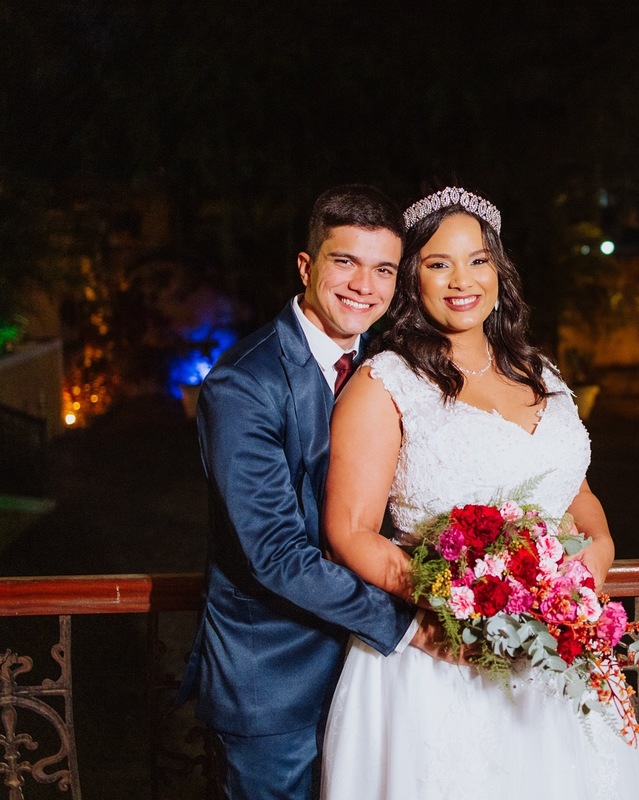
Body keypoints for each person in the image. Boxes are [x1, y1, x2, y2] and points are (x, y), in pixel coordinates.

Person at [318, 186, 639, 799]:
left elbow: (575, 490)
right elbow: (349, 529)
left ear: (498, 269)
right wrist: (457, 603)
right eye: (438, 263)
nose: (462, 279)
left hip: (550, 668)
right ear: (414, 279)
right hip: (438, 664)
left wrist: (599, 544)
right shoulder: (386, 382)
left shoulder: (539, 371)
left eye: (477, 260)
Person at [177, 184, 418, 800]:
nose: (364, 285)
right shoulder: (243, 383)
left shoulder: (383, 365)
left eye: (383, 268)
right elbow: (276, 554)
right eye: (346, 262)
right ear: (307, 267)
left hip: (368, 679)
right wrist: (413, 621)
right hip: (274, 680)